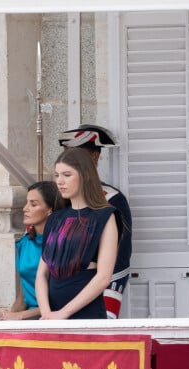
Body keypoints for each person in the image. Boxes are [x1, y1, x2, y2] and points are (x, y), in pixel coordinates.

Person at [35, 148, 120, 319]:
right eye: (57, 175)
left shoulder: (104, 216)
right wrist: (46, 313)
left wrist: (62, 314)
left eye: (67, 175)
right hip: (52, 317)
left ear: (86, 175)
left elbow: (103, 277)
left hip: (86, 316)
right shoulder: (54, 219)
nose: (60, 181)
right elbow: (41, 274)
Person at [59, 124, 132, 319]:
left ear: (94, 157)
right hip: (61, 293)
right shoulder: (60, 200)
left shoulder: (112, 199)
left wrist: (111, 299)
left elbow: (121, 256)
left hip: (97, 293)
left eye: (77, 156)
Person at [0, 181, 61, 321]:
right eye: (26, 202)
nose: (25, 208)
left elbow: (60, 301)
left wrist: (19, 316)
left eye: (33, 204)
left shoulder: (60, 245)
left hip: (53, 318)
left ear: (50, 210)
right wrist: (6, 318)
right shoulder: (24, 243)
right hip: (28, 319)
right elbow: (24, 294)